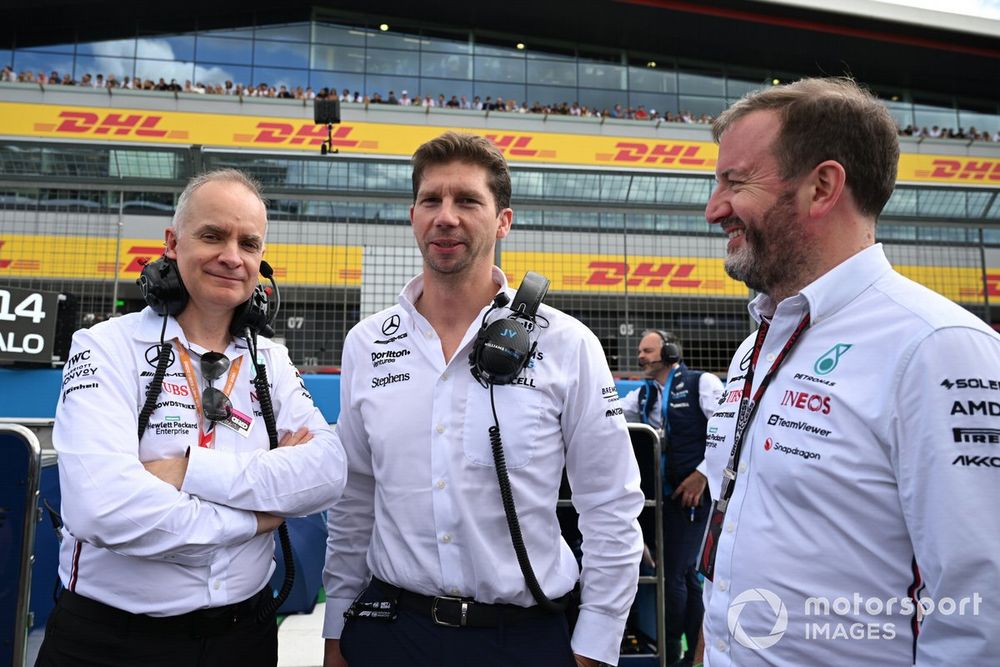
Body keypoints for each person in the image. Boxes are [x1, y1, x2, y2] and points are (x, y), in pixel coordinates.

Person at [699, 77, 1000, 665]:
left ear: (823, 186)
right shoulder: (753, 346)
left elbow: (980, 608)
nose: (714, 208)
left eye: (735, 182)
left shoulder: (937, 347)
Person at [322, 131, 644, 667]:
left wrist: (597, 645)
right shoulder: (366, 342)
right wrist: (337, 629)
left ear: (503, 221)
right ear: (414, 215)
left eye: (467, 200)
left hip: (521, 638)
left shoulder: (566, 343)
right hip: (389, 631)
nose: (445, 216)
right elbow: (355, 500)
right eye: (432, 200)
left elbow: (610, 505)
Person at [35, 169, 348, 667]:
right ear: (171, 243)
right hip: (108, 642)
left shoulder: (272, 360)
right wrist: (258, 516)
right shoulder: (105, 347)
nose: (232, 255)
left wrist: (186, 471)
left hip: (244, 638)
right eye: (212, 235)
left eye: (248, 243)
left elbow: (328, 472)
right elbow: (103, 510)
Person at [620, 330, 723, 666]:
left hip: (694, 499)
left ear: (671, 351)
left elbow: (728, 428)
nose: (641, 357)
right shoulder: (644, 394)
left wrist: (704, 474)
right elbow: (611, 415)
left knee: (675, 575)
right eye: (639, 351)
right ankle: (694, 652)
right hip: (662, 499)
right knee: (688, 577)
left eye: (648, 350)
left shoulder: (701, 383)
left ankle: (672, 652)